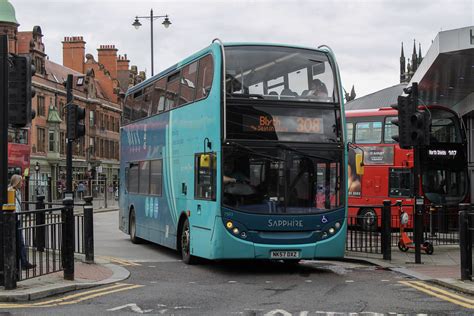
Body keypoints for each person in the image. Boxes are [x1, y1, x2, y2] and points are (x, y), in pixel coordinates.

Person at [9, 174, 36, 270]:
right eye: (21, 181)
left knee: (20, 242)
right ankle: (22, 263)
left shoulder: (18, 192)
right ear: (16, 182)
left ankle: (22, 262)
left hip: (18, 218)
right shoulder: (11, 191)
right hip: (14, 219)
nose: (22, 183)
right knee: (19, 242)